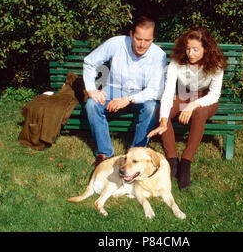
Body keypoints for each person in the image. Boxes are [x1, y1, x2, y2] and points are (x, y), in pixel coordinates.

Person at [147, 27, 227, 189]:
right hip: (183, 95)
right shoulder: (177, 62)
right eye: (188, 48)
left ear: (206, 48)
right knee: (161, 112)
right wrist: (163, 120)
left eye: (196, 49)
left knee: (200, 111)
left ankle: (186, 162)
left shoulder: (216, 63)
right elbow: (169, 92)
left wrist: (192, 105)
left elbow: (214, 95)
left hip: (205, 100)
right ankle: (172, 160)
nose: (191, 53)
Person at [83, 16, 166, 167]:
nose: (142, 44)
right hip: (113, 90)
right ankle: (105, 154)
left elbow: (155, 91)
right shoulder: (116, 43)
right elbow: (89, 62)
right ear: (131, 34)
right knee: (91, 104)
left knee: (152, 107)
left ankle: (136, 151)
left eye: (147, 40)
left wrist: (128, 99)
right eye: (138, 38)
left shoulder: (158, 55)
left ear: (153, 39)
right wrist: (91, 90)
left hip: (141, 94)